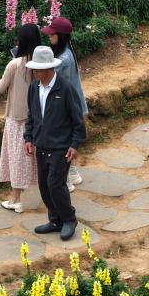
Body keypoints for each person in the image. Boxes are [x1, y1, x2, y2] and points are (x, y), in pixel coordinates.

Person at [24, 45, 87, 241]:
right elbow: (32, 116)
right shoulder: (34, 88)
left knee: (55, 185)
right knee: (44, 186)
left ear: (48, 68)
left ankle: (69, 219)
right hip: (41, 146)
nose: (34, 72)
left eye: (37, 69)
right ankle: (55, 220)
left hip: (61, 147)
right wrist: (28, 138)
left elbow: (78, 119)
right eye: (34, 69)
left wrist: (74, 144)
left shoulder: (65, 88)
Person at [0, 24, 40, 213]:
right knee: (30, 158)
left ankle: (15, 199)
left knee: (17, 158)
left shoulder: (15, 64)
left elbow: (0, 88)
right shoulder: (40, 64)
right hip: (36, 118)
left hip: (16, 118)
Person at [42, 17, 88, 192]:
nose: (49, 37)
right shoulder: (68, 51)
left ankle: (65, 180)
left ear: (60, 36)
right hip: (74, 104)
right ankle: (73, 172)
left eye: (52, 34)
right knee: (68, 139)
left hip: (66, 107)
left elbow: (55, 83)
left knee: (61, 143)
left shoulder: (64, 59)